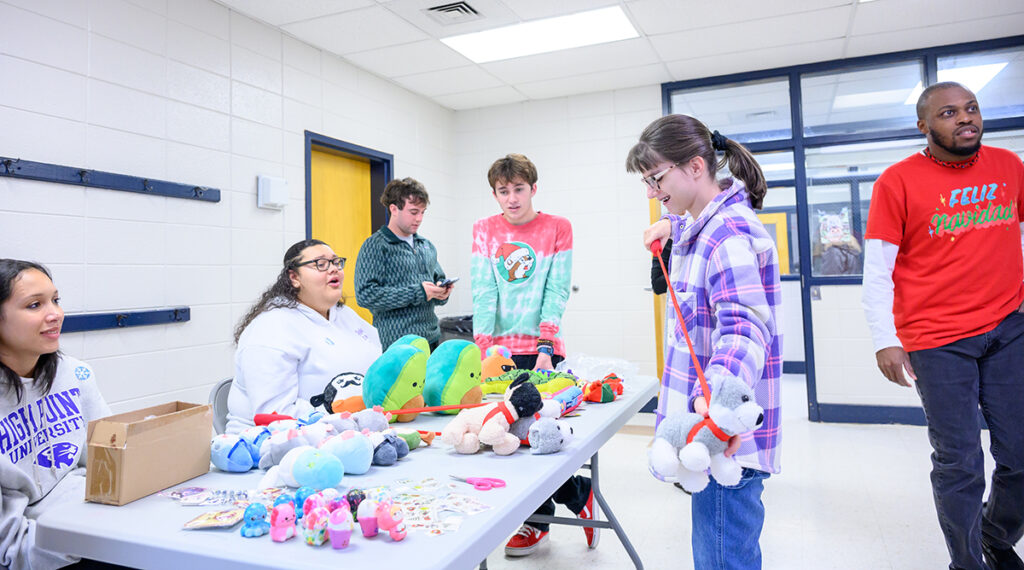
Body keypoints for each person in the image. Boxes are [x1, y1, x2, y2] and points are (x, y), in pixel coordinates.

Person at [862, 81, 1024, 570]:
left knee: (1020, 454)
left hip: (1008, 325)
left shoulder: (1009, 166)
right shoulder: (898, 181)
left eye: (971, 109)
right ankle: (966, 562)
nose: (965, 118)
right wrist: (884, 339)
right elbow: (877, 269)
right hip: (937, 340)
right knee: (960, 463)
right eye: (949, 112)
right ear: (924, 126)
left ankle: (995, 538)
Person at [629, 115, 782, 570]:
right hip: (707, 435)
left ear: (695, 167)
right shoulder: (704, 226)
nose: (653, 193)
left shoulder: (726, 235)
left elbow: (744, 327)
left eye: (656, 179)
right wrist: (672, 227)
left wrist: (719, 407)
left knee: (722, 557)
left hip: (719, 434)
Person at [471, 153, 595, 556]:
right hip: (498, 352)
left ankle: (543, 517)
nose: (511, 198)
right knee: (502, 438)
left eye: (518, 189)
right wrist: (483, 347)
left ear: (533, 189)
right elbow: (484, 290)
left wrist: (545, 345)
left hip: (541, 352)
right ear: (495, 193)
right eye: (503, 191)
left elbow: (556, 289)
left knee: (537, 439)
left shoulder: (557, 227)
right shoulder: (484, 230)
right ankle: (565, 502)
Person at [0, 259, 112, 570]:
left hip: (95, 527)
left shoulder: (75, 373)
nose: (55, 314)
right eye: (35, 305)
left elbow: (109, 461)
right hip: (45, 552)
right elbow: (10, 550)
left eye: (56, 300)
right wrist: (87, 539)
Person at [226, 239, 382, 434]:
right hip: (272, 445)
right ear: (294, 277)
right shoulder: (272, 327)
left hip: (352, 433)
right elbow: (275, 413)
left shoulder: (345, 316)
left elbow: (378, 366)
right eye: (320, 264)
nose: (333, 269)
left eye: (335, 262)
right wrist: (347, 419)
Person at [354, 177, 451, 351]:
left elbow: (437, 283)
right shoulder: (375, 246)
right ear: (394, 209)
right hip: (397, 344)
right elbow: (366, 295)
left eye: (423, 212)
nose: (419, 218)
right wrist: (419, 292)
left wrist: (442, 292)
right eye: (414, 212)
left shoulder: (426, 245)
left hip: (432, 339)